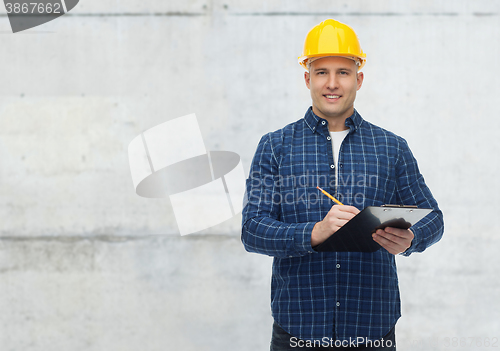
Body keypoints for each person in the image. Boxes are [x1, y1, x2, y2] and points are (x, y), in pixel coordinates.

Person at [241, 19, 444, 350]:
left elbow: (432, 216)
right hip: (297, 330)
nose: (332, 83)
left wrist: (410, 238)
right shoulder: (275, 146)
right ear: (307, 78)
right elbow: (252, 229)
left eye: (343, 72)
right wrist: (313, 233)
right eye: (321, 72)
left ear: (359, 79)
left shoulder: (391, 148)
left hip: (371, 329)